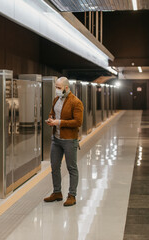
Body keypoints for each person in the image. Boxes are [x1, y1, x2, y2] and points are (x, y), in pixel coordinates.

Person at [44, 77, 83, 206]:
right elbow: (52, 113)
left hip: (69, 140)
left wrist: (59, 122)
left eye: (59, 88)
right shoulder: (56, 100)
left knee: (71, 168)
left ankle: (72, 195)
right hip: (56, 139)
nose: (57, 90)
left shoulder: (76, 102)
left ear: (66, 88)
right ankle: (57, 192)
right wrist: (51, 120)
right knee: (54, 166)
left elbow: (78, 122)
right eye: (56, 87)